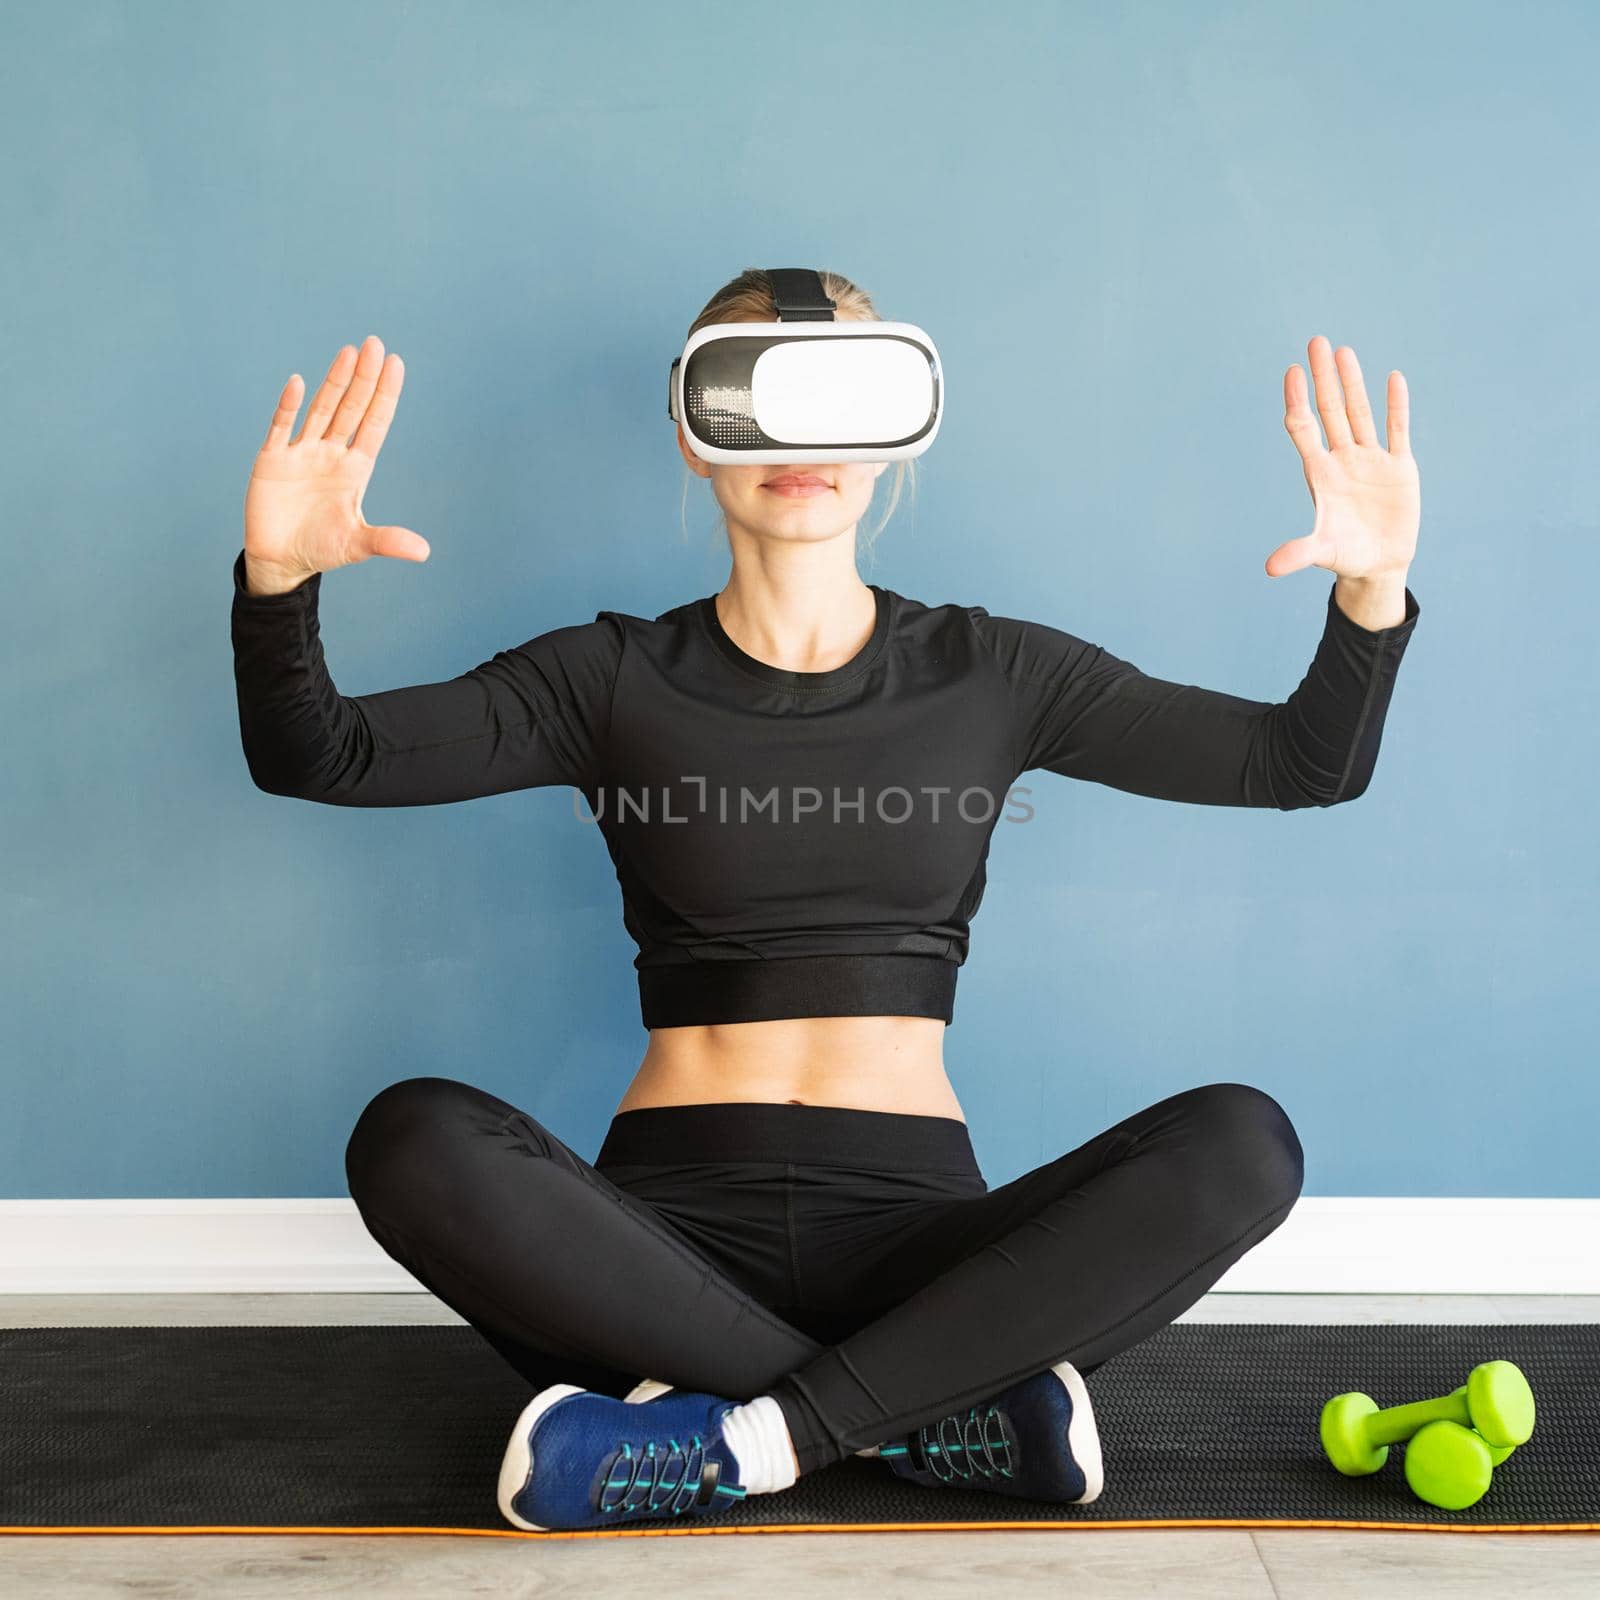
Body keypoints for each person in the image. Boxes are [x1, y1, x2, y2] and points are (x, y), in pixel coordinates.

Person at [230, 268, 1421, 1532]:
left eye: (841, 397)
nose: (803, 442)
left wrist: (1370, 592)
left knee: (1241, 1140)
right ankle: (918, 1423)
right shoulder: (607, 674)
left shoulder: (995, 670)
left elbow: (1302, 764)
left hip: (926, 1253)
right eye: (753, 395)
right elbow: (327, 755)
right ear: (695, 434)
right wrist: (276, 580)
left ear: (898, 430)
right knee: (410, 1133)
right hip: (652, 1253)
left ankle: (729, 1441)